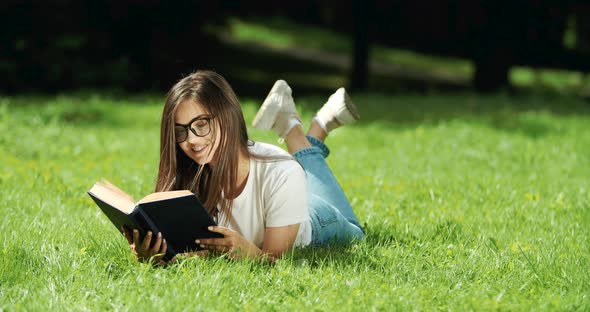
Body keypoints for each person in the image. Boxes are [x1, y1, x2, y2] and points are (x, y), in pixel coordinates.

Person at [124, 70, 364, 263]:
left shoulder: (282, 171)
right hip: (284, 199)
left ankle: (303, 128)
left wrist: (249, 254)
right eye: (180, 130)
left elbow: (275, 262)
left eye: (201, 124)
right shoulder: (190, 170)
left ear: (227, 117)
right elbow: (191, 253)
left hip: (317, 220)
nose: (191, 140)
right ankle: (300, 126)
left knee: (358, 234)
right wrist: (157, 256)